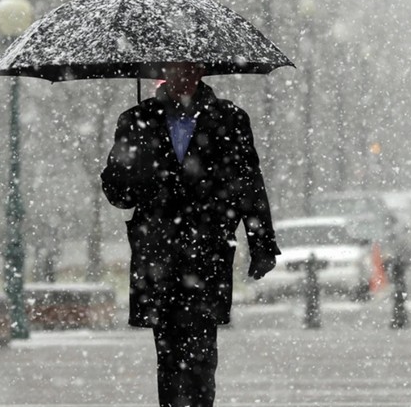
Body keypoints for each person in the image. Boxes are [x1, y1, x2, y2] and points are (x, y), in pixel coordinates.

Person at [101, 62, 279, 406]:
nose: (183, 73)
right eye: (174, 65)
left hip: (208, 251)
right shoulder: (136, 121)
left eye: (189, 65)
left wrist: (262, 244)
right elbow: (118, 195)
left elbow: (249, 185)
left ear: (202, 69)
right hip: (157, 254)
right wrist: (130, 169)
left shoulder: (230, 119)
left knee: (201, 354)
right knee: (167, 354)